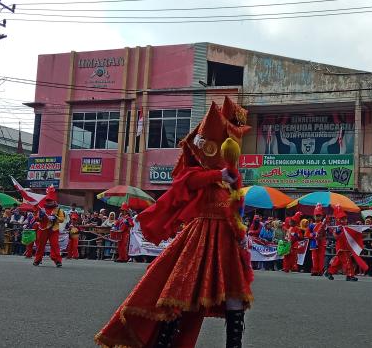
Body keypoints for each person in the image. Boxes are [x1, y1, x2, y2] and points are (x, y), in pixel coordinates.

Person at [95, 97, 253, 347]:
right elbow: (186, 182)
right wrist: (216, 174)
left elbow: (235, 209)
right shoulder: (199, 174)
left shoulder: (231, 180)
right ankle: (163, 344)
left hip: (228, 241)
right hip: (200, 237)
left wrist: (242, 234)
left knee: (235, 297)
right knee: (182, 292)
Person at [326, 205, 368, 281]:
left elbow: (356, 234)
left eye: (345, 218)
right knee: (347, 262)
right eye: (342, 218)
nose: (344, 220)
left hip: (347, 247)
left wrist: (359, 226)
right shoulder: (337, 228)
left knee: (338, 262)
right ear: (338, 219)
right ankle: (350, 275)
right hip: (341, 248)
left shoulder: (348, 227)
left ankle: (329, 272)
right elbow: (336, 237)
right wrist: (338, 231)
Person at [33, 186, 66, 267]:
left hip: (54, 230)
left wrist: (55, 218)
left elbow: (62, 219)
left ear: (54, 201)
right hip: (43, 229)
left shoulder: (58, 210)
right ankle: (37, 259)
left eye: (50, 201)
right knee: (40, 245)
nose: (48, 202)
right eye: (47, 200)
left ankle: (57, 260)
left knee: (55, 245)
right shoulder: (41, 209)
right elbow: (36, 218)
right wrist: (40, 216)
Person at [307, 204, 328, 276]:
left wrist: (321, 234)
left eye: (319, 215)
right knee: (314, 257)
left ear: (322, 216)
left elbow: (326, 234)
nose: (318, 217)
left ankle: (320, 271)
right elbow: (306, 234)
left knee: (321, 257)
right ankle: (315, 270)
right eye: (317, 215)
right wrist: (313, 235)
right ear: (314, 216)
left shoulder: (323, 224)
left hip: (321, 242)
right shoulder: (311, 225)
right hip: (313, 243)